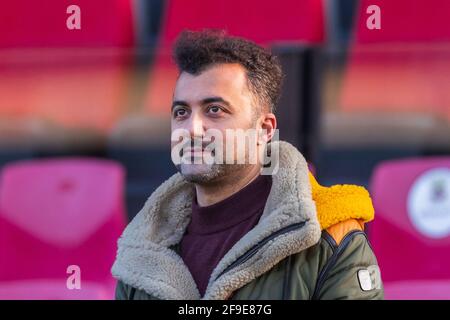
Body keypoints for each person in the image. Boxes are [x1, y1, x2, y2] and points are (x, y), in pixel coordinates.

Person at [112, 30, 383, 300]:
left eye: (214, 110)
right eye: (181, 112)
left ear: (265, 129)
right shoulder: (141, 251)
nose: (191, 129)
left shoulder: (331, 238)